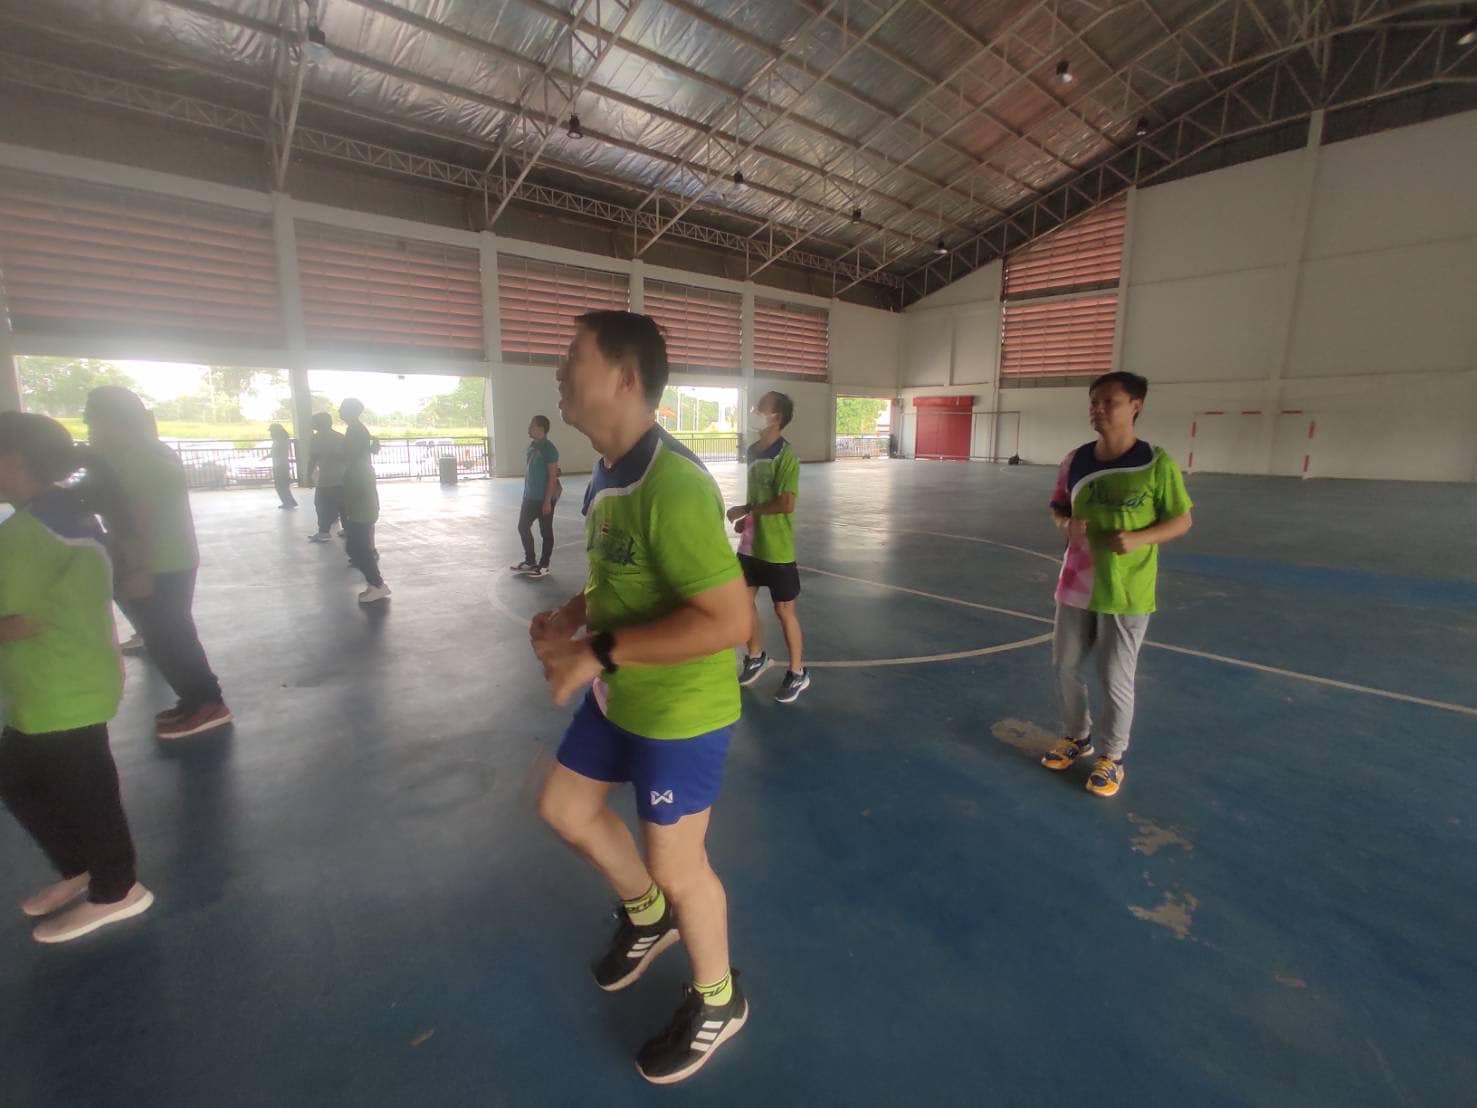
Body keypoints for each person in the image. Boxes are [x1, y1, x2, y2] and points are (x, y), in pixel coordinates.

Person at [531, 311, 751, 1085]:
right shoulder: (607, 472)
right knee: (565, 808)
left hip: (679, 715)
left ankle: (718, 999)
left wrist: (594, 653)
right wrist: (573, 615)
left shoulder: (673, 484)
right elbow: (618, 573)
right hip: (619, 694)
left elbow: (729, 620)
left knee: (677, 864)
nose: (559, 371)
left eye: (573, 356)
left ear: (625, 378)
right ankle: (647, 915)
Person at [0, 411, 154, 943]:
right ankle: (84, 868)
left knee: (86, 793)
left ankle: (117, 889)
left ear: (14, 461)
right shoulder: (68, 513)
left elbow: (18, 621)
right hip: (66, 679)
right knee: (19, 777)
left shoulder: (28, 531)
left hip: (59, 687)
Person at [1040, 371, 1193, 797]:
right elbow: (1057, 508)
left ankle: (1112, 757)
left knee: (1114, 676)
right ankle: (1077, 736)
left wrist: (1141, 538)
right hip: (1076, 584)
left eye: (1110, 402)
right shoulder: (1074, 460)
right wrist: (1066, 524)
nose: (1099, 409)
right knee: (1064, 665)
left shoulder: (1156, 463)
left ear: (1136, 406)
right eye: (1094, 402)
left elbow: (1182, 520)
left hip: (1127, 589)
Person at [83, 387, 232, 740]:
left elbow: (137, 522)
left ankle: (207, 702)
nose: (91, 429)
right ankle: (194, 699)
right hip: (162, 560)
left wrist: (137, 569)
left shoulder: (142, 460)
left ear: (113, 421)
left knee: (170, 635)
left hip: (158, 563)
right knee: (163, 635)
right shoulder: (131, 454)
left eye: (94, 421)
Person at [730, 391, 809, 704]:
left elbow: (786, 503)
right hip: (751, 546)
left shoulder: (786, 456)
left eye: (760, 408)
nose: (754, 412)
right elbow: (757, 498)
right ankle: (755, 656)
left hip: (777, 548)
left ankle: (797, 672)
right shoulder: (753, 451)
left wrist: (750, 510)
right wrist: (746, 518)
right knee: (743, 601)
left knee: (783, 610)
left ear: (776, 417)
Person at [339, 398, 389, 604]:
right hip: (361, 506)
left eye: (343, 409)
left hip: (362, 507)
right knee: (355, 547)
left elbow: (359, 489)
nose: (339, 412)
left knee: (357, 547)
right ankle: (375, 584)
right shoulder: (356, 434)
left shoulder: (356, 436)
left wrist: (351, 505)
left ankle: (377, 585)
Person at [512, 414, 561, 578]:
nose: (529, 428)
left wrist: (547, 501)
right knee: (522, 527)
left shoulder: (549, 449)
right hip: (530, 497)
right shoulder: (532, 446)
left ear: (541, 429)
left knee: (545, 532)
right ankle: (530, 561)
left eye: (531, 426)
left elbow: (552, 477)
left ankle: (544, 565)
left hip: (543, 499)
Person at [306, 411, 346, 543]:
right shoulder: (340, 437)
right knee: (343, 505)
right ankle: (347, 529)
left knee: (322, 505)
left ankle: (324, 532)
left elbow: (313, 459)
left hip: (325, 478)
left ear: (318, 424)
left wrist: (308, 476)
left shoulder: (316, 438)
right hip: (342, 477)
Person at [269, 422, 297, 510]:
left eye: (272, 431)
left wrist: (272, 454)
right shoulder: (281, 440)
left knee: (281, 486)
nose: (271, 433)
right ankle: (289, 502)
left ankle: (288, 503)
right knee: (282, 486)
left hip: (280, 466)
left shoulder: (280, 441)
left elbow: (278, 453)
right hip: (281, 465)